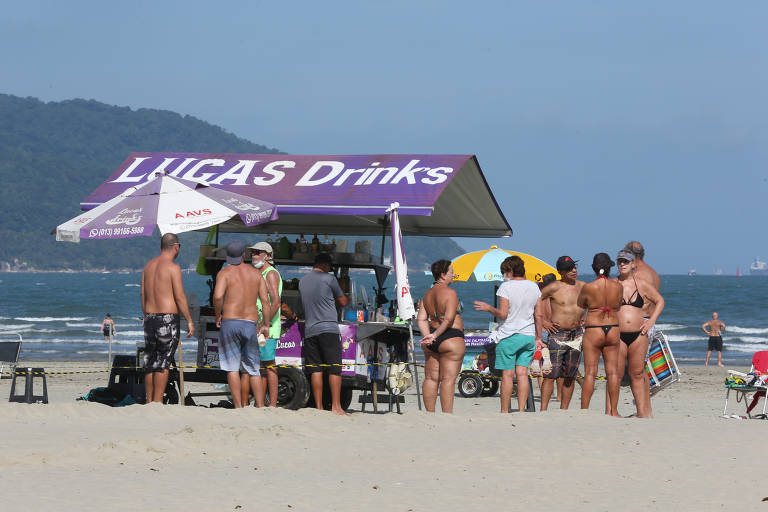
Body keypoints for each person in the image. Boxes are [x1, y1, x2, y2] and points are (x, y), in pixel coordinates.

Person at [474, 256, 540, 413]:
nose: (504, 275)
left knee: (508, 375)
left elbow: (502, 315)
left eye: (504, 272)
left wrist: (489, 308)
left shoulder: (506, 287)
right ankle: (522, 410)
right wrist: (538, 337)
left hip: (509, 335)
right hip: (528, 335)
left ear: (510, 270)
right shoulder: (534, 287)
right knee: (523, 373)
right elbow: (539, 315)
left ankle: (505, 411)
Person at [213, 240, 271, 408]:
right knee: (253, 369)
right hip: (250, 323)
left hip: (230, 321)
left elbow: (217, 297)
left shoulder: (224, 273)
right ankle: (259, 405)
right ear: (244, 255)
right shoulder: (256, 274)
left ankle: (238, 406)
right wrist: (265, 324)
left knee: (232, 368)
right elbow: (266, 302)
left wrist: (219, 315)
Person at [140, 233, 194, 404]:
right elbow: (179, 296)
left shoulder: (148, 266)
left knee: (150, 362)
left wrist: (146, 314)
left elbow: (143, 293)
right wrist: (189, 320)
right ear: (176, 246)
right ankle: (157, 402)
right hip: (167, 318)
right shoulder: (173, 267)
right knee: (163, 362)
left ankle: (149, 401)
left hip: (150, 317)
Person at [298, 252, 349, 415]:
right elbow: (343, 302)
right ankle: (336, 406)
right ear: (325, 265)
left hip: (310, 329)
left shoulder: (302, 281)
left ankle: (319, 408)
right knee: (335, 369)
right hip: (328, 329)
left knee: (316, 369)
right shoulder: (329, 279)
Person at [616, 250, 664, 418]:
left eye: (626, 262)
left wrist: (651, 321)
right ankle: (612, 411)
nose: (622, 264)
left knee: (637, 373)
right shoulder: (613, 284)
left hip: (639, 333)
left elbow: (659, 301)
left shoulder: (641, 284)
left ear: (632, 264)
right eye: (620, 261)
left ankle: (642, 412)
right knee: (616, 373)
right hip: (618, 334)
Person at [534, 256, 585, 410]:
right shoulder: (553, 287)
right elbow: (533, 303)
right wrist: (544, 323)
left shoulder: (583, 286)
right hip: (557, 334)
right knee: (551, 374)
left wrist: (587, 319)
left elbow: (595, 303)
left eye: (574, 267)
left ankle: (564, 409)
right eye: (569, 269)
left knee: (570, 375)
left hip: (576, 335)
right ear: (560, 272)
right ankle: (543, 409)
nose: (574, 271)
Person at [416, 259, 466, 413]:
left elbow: (421, 318)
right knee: (448, 380)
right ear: (443, 275)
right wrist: (436, 334)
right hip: (451, 337)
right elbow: (449, 318)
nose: (454, 275)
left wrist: (428, 336)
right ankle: (446, 415)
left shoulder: (427, 294)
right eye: (451, 272)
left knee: (431, 378)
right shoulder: (450, 293)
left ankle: (430, 414)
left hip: (432, 338)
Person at [576, 253, 623, 415]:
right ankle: (614, 411)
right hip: (613, 326)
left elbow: (580, 303)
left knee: (590, 372)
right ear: (610, 268)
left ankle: (585, 410)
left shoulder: (588, 287)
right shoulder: (618, 286)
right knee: (613, 372)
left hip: (594, 328)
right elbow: (617, 305)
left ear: (594, 268)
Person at [250, 241, 282, 407]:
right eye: (253, 252)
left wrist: (265, 324)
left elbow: (276, 302)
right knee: (261, 365)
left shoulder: (270, 273)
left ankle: (273, 404)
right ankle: (259, 403)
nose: (254, 255)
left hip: (268, 327)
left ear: (268, 256)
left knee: (269, 365)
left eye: (258, 252)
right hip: (260, 325)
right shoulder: (258, 273)